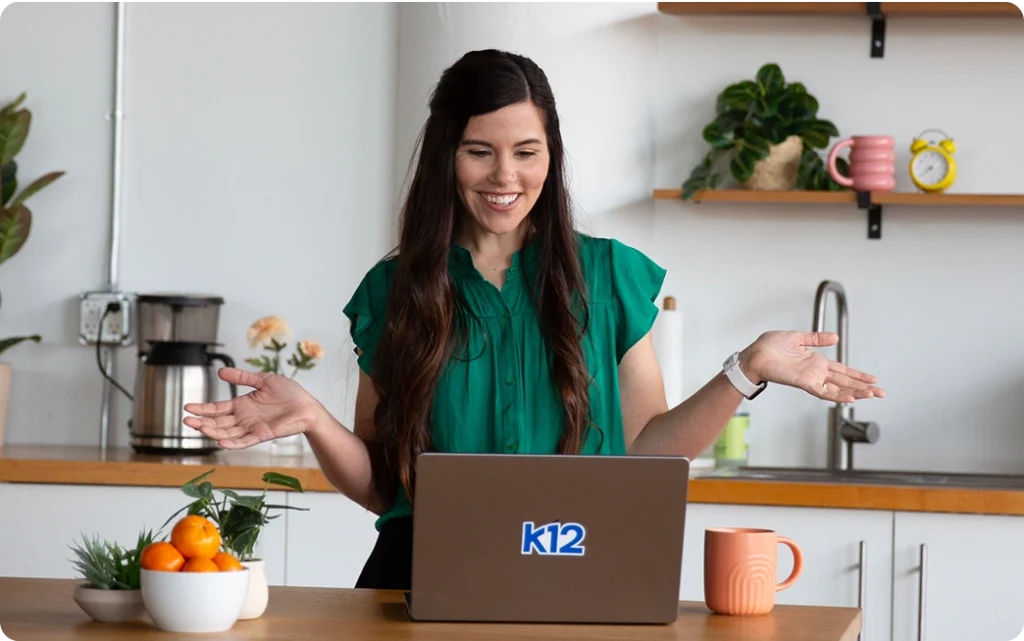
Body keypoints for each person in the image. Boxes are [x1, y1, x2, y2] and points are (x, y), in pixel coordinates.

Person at [183, 49, 884, 591]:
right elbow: (382, 486)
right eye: (479, 151)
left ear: (552, 155)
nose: (504, 177)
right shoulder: (396, 289)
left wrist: (747, 367)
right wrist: (312, 417)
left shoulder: (608, 275)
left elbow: (648, 454)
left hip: (579, 571)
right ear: (445, 157)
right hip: (420, 579)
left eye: (527, 152)